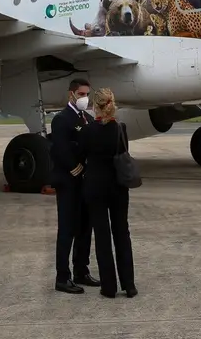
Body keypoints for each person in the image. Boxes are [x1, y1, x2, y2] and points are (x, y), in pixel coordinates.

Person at [80, 87, 137, 298]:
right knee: (122, 233)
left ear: (95, 106)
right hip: (118, 187)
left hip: (95, 186)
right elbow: (123, 153)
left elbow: (81, 155)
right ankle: (129, 284)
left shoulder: (87, 131)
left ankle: (109, 287)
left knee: (102, 237)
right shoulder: (120, 129)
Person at [49, 78, 99, 294]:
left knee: (84, 228)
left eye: (87, 94)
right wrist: (77, 168)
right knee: (67, 229)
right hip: (69, 182)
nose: (84, 98)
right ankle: (62, 277)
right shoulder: (61, 119)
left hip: (84, 183)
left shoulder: (86, 118)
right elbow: (60, 150)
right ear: (71, 94)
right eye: (81, 94)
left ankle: (81, 270)